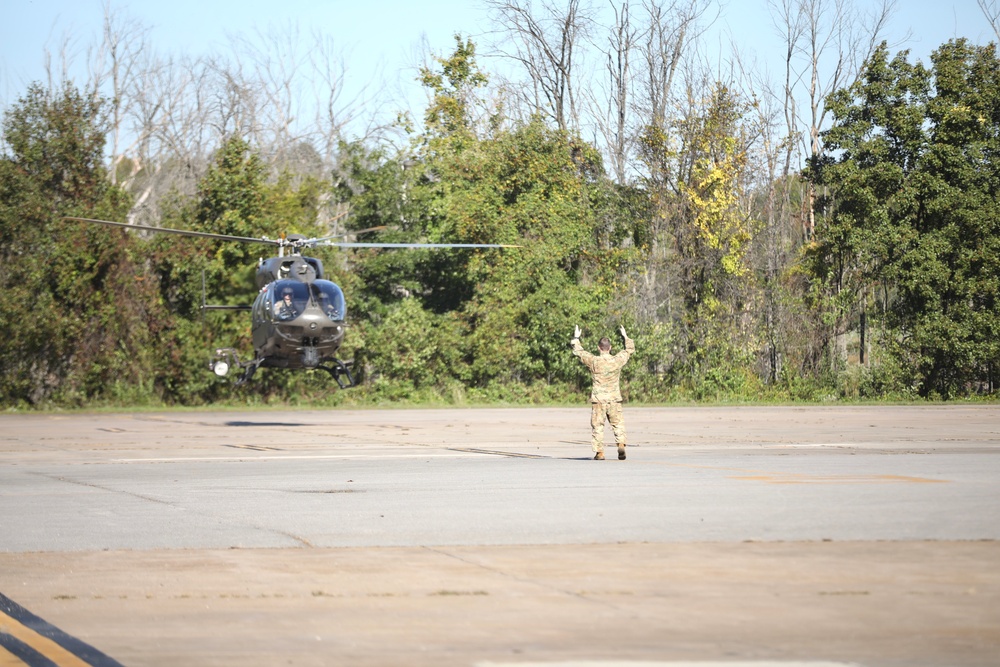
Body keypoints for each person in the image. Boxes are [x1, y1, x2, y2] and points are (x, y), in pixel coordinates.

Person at [571, 324, 635, 460]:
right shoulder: (617, 360)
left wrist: (576, 337)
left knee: (598, 426)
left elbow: (579, 352)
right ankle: (621, 443)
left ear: (598, 348)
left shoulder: (594, 361)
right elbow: (629, 350)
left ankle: (599, 452)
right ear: (610, 348)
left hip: (599, 399)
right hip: (614, 399)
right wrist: (625, 336)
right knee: (618, 424)